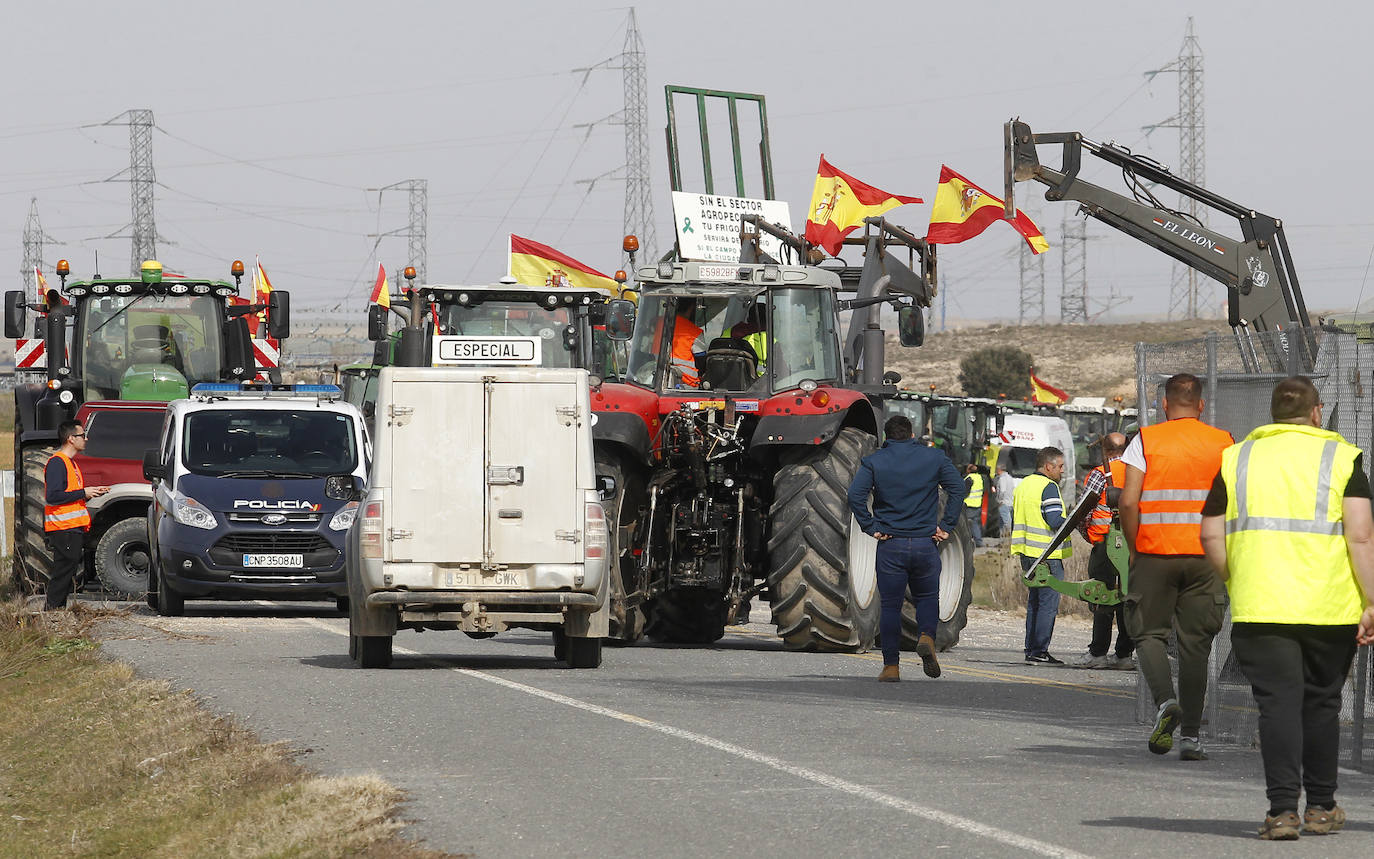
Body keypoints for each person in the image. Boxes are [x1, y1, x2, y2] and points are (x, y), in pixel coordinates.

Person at [1199, 377, 1374, 839]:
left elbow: (1210, 535)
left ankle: (1281, 813)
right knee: (1321, 703)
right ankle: (1320, 807)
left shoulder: (1236, 459)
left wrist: (1234, 576)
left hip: (1261, 604)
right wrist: (1371, 600)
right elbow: (1360, 535)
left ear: (1273, 414)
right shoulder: (1343, 459)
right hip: (1329, 606)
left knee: (1276, 706)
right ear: (1317, 413)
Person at [1119, 372, 1234, 760]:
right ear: (1201, 405)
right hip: (1205, 558)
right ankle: (1190, 739)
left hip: (1155, 553)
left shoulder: (1146, 441)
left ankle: (1166, 702)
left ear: (1164, 405)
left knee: (1147, 633)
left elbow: (1129, 502)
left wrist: (1136, 548)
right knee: (1195, 646)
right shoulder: (1223, 443)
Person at [847, 415, 966, 682]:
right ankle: (926, 635)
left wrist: (870, 526)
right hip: (925, 543)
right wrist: (946, 525)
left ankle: (891, 667)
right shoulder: (933, 458)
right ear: (912, 434)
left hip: (891, 545)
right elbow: (957, 488)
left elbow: (855, 495)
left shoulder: (874, 461)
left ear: (886, 437)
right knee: (926, 598)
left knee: (890, 606)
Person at [1072, 432, 1135, 669]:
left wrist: (1089, 535)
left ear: (1107, 451)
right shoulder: (1137, 472)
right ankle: (1124, 655)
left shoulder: (1100, 474)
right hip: (1133, 547)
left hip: (1104, 547)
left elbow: (1083, 510)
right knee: (1127, 598)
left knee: (1102, 597)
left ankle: (1098, 653)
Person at [1011, 447, 1070, 664]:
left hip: (1027, 553)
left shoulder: (1023, 485)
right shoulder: (1049, 487)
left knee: (1034, 603)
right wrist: (1072, 520)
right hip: (1047, 555)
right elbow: (1054, 520)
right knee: (1047, 605)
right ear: (1049, 466)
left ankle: (1031, 650)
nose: (1062, 471)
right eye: (1060, 467)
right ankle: (1040, 650)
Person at [43, 420, 110, 610]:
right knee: (63, 572)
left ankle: (57, 611)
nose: (86, 439)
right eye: (82, 435)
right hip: (63, 528)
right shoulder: (58, 462)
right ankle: (53, 612)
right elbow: (53, 496)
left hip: (72, 528)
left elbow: (69, 496)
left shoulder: (70, 463)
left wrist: (91, 493)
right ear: (70, 439)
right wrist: (83, 492)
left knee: (67, 571)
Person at [669, 298, 704, 388]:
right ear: (691, 308)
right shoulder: (695, 331)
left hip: (656, 377)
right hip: (687, 383)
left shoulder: (656, 323)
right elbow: (701, 362)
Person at [963, 464, 985, 547]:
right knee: (975, 523)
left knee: (966, 524)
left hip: (969, 505)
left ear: (968, 470)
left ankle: (966, 542)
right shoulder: (979, 478)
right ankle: (979, 541)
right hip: (977, 504)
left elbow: (965, 492)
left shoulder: (969, 479)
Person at [995, 463, 1017, 539]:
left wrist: (999, 500)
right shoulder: (1010, 478)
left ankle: (1007, 540)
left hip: (1004, 503)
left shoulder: (1002, 479)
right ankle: (1002, 540)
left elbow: (1002, 491)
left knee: (1006, 522)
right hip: (1010, 502)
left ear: (999, 470)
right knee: (1003, 522)